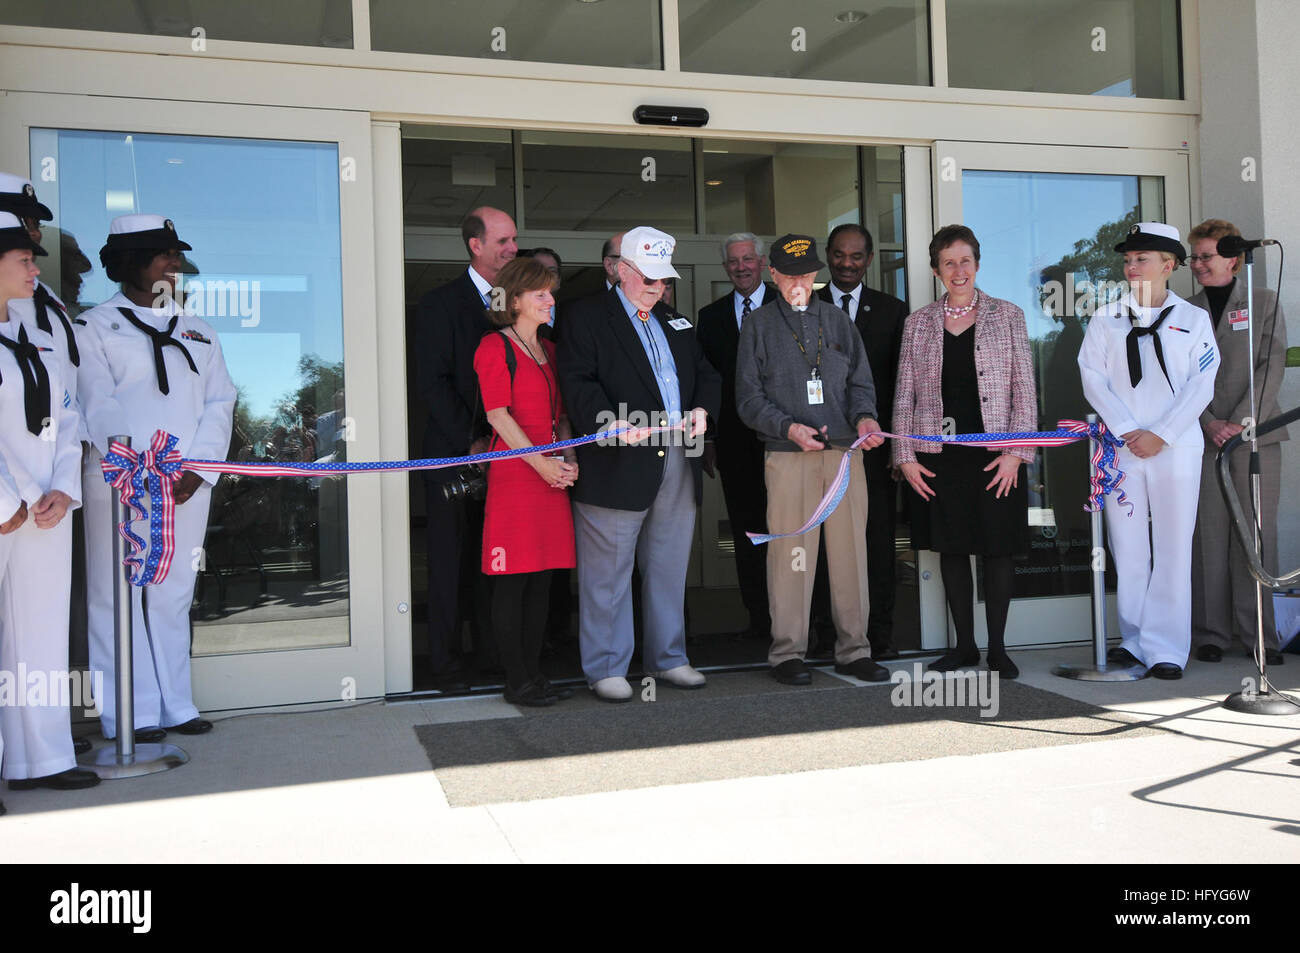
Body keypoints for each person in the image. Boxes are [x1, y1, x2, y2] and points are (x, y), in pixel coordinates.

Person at [79, 214, 236, 739]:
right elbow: (95, 400)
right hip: (118, 476)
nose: (175, 264)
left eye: (177, 255)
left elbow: (220, 401)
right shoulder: (94, 326)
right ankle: (132, 712)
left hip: (186, 480)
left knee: (171, 593)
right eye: (164, 254)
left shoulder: (199, 329)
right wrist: (132, 461)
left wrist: (198, 466)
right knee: (116, 593)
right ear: (130, 263)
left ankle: (176, 704)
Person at [557, 226, 720, 702]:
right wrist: (610, 422)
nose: (657, 287)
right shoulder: (585, 317)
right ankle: (606, 665)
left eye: (663, 279)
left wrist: (703, 410)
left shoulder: (674, 319)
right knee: (607, 571)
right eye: (648, 277)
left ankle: (668, 658)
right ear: (620, 270)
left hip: (677, 457)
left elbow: (707, 374)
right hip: (617, 460)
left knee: (668, 567)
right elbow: (578, 381)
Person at [736, 233, 889, 686]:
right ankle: (787, 653)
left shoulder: (839, 322)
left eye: (807, 274)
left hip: (844, 455)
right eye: (791, 274)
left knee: (849, 555)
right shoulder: (759, 325)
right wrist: (788, 428)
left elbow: (861, 383)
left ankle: (854, 649)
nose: (800, 282)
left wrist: (865, 419)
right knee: (791, 555)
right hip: (788, 456)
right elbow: (747, 397)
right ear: (774, 274)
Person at [894, 225, 1036, 680]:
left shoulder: (1009, 315)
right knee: (951, 550)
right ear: (936, 269)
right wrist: (905, 456)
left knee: (997, 551)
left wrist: (1017, 452)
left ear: (977, 263)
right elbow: (904, 394)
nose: (958, 270)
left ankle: (998, 648)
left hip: (997, 454)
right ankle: (964, 647)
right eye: (948, 262)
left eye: (965, 260)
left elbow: (1024, 390)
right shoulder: (918, 323)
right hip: (938, 455)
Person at [1078, 222, 1218, 680]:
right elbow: (1092, 377)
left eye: (1141, 258)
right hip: (1122, 449)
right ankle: (1135, 641)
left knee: (1174, 547)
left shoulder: (1194, 320)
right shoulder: (1106, 317)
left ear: (1169, 265)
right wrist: (1125, 429)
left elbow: (1202, 383)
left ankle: (1168, 649)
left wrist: (1161, 432)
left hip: (1176, 446)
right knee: (1130, 547)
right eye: (1127, 259)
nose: (1131, 266)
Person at [0, 212, 98, 795]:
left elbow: (67, 418)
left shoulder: (39, 336)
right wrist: (15, 497)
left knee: (40, 634)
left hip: (45, 510)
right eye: (23, 260)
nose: (36, 268)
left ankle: (40, 758)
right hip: (9, 506)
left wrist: (64, 487)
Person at [413, 206, 516, 686]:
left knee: (495, 557)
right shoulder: (438, 305)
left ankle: (494, 657)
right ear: (475, 245)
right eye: (504, 241)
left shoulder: (516, 303)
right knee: (451, 560)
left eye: (514, 241)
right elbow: (432, 385)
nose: (513, 249)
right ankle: (447, 664)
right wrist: (473, 439)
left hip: (508, 454)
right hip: (454, 455)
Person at [475, 257, 578, 706]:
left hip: (551, 474)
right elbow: (498, 415)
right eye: (540, 294)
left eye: (550, 293)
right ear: (514, 300)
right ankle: (515, 680)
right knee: (513, 580)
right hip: (518, 476)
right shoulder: (493, 347)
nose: (550, 300)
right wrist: (543, 465)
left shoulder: (552, 350)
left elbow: (563, 417)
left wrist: (569, 460)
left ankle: (534, 675)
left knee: (542, 580)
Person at [1186, 219, 1288, 665]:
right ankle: (1211, 633)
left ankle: (1259, 634)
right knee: (1207, 537)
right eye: (1194, 257)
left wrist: (1241, 421)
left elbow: (1272, 365)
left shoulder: (1263, 303)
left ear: (1234, 258)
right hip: (1202, 438)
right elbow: (1178, 378)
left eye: (1206, 256)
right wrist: (1209, 423)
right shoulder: (1183, 310)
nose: (1197, 265)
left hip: (1256, 440)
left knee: (1255, 536)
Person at [817, 223, 909, 659]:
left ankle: (880, 637)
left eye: (856, 256)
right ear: (828, 256)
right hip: (821, 450)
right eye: (839, 254)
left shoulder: (893, 311)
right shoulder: (806, 307)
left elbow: (904, 386)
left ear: (869, 259)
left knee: (877, 544)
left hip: (875, 451)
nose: (847, 263)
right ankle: (825, 637)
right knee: (819, 545)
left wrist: (898, 448)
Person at [696, 232, 774, 642]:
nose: (741, 267)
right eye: (733, 261)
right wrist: (707, 439)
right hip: (733, 445)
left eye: (748, 259)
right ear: (725, 267)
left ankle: (801, 622)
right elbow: (705, 383)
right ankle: (759, 620)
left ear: (761, 263)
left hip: (787, 443)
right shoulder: (709, 318)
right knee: (747, 531)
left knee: (789, 531)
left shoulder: (790, 304)